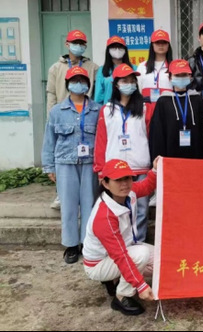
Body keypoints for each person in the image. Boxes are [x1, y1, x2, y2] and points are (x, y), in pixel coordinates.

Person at [83, 158, 158, 316]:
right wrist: (141, 286)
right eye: (118, 180)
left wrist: (155, 170)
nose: (124, 184)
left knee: (160, 261)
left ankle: (116, 279)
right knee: (141, 255)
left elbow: (146, 186)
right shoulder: (104, 216)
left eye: (127, 178)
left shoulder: (129, 193)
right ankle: (122, 295)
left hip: (123, 249)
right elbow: (120, 255)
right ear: (105, 183)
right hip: (98, 263)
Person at [42, 67, 101, 264]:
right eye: (75, 81)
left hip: (90, 164)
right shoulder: (57, 111)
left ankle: (87, 242)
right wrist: (49, 166)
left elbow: (102, 139)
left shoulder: (97, 110)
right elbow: (49, 140)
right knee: (68, 206)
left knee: (89, 205)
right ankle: (71, 245)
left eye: (82, 80)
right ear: (68, 85)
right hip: (65, 163)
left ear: (88, 84)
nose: (79, 84)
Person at [94, 64, 151, 242]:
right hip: (115, 170)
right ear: (116, 84)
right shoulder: (106, 110)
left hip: (140, 166)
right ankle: (121, 245)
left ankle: (139, 243)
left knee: (141, 210)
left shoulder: (144, 108)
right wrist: (100, 169)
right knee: (116, 209)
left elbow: (150, 136)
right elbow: (101, 141)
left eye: (132, 80)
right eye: (125, 81)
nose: (129, 84)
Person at [46, 29, 99, 210]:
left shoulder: (93, 67)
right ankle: (60, 193)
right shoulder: (56, 68)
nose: (78, 46)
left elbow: (97, 91)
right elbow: (51, 93)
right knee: (63, 158)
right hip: (63, 115)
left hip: (86, 115)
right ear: (67, 44)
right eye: (75, 42)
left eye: (82, 43)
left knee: (88, 198)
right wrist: (51, 114)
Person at [149, 59, 203, 160]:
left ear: (190, 77)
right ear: (170, 77)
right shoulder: (163, 101)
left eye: (184, 75)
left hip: (195, 155)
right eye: (177, 75)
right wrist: (158, 159)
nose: (181, 78)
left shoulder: (197, 99)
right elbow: (157, 134)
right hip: (170, 156)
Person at [137, 29, 173, 128]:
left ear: (168, 45)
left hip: (168, 110)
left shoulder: (173, 66)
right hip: (146, 111)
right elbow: (138, 91)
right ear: (152, 45)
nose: (161, 45)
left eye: (164, 42)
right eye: (157, 42)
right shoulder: (142, 66)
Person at [94, 36, 134, 105]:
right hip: (108, 108)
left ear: (125, 50)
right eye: (113, 47)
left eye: (120, 47)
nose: (117, 50)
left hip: (131, 107)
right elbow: (98, 96)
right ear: (108, 50)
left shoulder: (134, 69)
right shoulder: (102, 70)